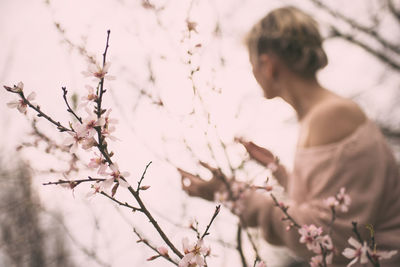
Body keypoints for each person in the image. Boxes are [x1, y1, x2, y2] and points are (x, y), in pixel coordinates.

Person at [177, 6, 400, 266]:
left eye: (252, 65)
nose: (253, 73)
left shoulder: (331, 116)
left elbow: (329, 235)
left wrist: (231, 193)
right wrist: (279, 171)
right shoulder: (318, 118)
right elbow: (334, 202)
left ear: (268, 65)